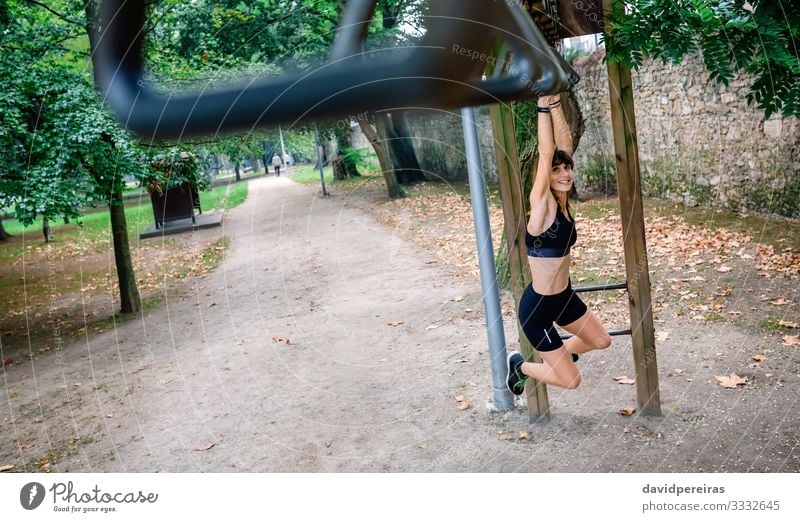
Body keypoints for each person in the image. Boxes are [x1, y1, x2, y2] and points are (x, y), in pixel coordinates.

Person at [506, 93, 612, 395]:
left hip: (564, 298)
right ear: (545, 177)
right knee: (571, 380)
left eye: (567, 168)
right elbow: (547, 151)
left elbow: (563, 145)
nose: (564, 174)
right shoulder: (542, 206)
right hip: (537, 309)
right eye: (556, 170)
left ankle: (561, 357)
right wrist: (541, 108)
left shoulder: (564, 205)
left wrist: (555, 105)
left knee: (602, 341)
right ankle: (520, 366)